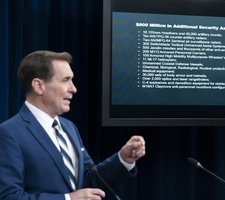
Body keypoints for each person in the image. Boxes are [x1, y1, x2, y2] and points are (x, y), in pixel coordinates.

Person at [0, 50, 146, 200]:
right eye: (65, 80)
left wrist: (123, 159)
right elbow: (9, 196)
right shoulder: (9, 133)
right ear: (39, 86)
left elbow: (90, 178)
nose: (73, 88)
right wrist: (68, 199)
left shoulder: (69, 127)